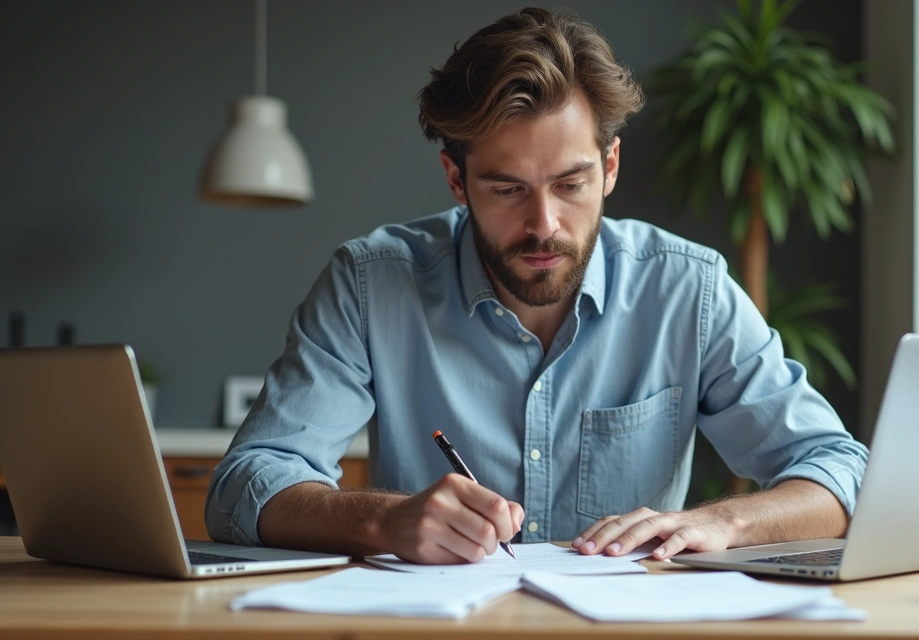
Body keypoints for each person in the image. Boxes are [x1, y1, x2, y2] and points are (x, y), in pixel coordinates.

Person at [205, 7, 868, 565]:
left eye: (570, 184)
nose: (544, 225)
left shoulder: (689, 292)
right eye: (507, 189)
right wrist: (383, 520)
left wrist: (727, 524)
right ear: (456, 180)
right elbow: (243, 487)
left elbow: (843, 470)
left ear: (609, 166)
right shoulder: (369, 284)